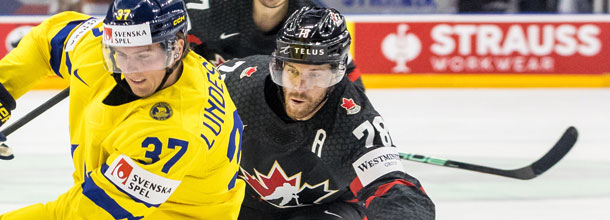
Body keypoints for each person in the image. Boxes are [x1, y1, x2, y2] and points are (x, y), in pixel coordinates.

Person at [0, 0, 245, 219]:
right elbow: (44, 41)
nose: (131, 71)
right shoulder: (98, 49)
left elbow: (81, 213)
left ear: (177, 48)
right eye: (119, 54)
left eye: (144, 55)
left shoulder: (174, 132)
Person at [217, 6, 435, 220]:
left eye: (316, 74)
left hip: (328, 208)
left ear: (337, 73)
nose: (299, 87)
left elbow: (392, 189)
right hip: (247, 201)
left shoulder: (354, 121)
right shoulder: (236, 83)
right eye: (292, 71)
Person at [185, 0, 365, 90]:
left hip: (276, 119)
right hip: (208, 108)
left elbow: (351, 86)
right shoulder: (203, 9)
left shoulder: (315, 19)